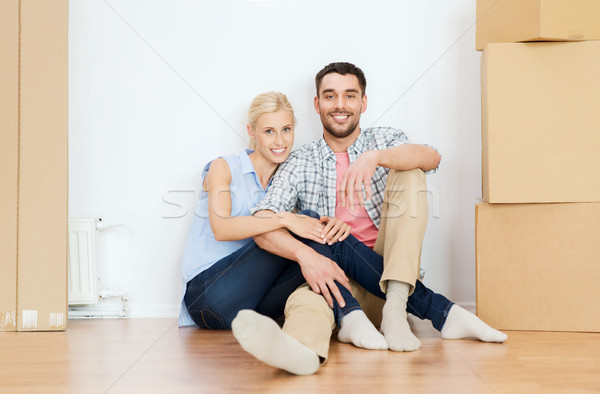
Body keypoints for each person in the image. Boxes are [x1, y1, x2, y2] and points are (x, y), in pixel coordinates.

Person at [231, 62, 507, 374]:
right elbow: (263, 223)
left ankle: (397, 306)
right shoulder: (298, 161)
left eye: (350, 96)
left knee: (412, 174)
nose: (340, 105)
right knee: (305, 301)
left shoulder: (385, 140)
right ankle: (300, 352)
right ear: (317, 104)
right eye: (330, 96)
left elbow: (432, 157)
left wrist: (373, 158)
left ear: (363, 103)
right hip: (340, 287)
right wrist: (306, 256)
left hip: (390, 278)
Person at [178, 91, 416, 375]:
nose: (280, 141)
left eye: (286, 130)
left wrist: (331, 228)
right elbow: (222, 228)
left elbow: (311, 235)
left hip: (252, 307)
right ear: (251, 132)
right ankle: (390, 308)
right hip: (209, 296)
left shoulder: (286, 180)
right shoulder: (224, 167)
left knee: (323, 231)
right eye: (269, 131)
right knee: (309, 221)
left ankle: (403, 306)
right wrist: (288, 220)